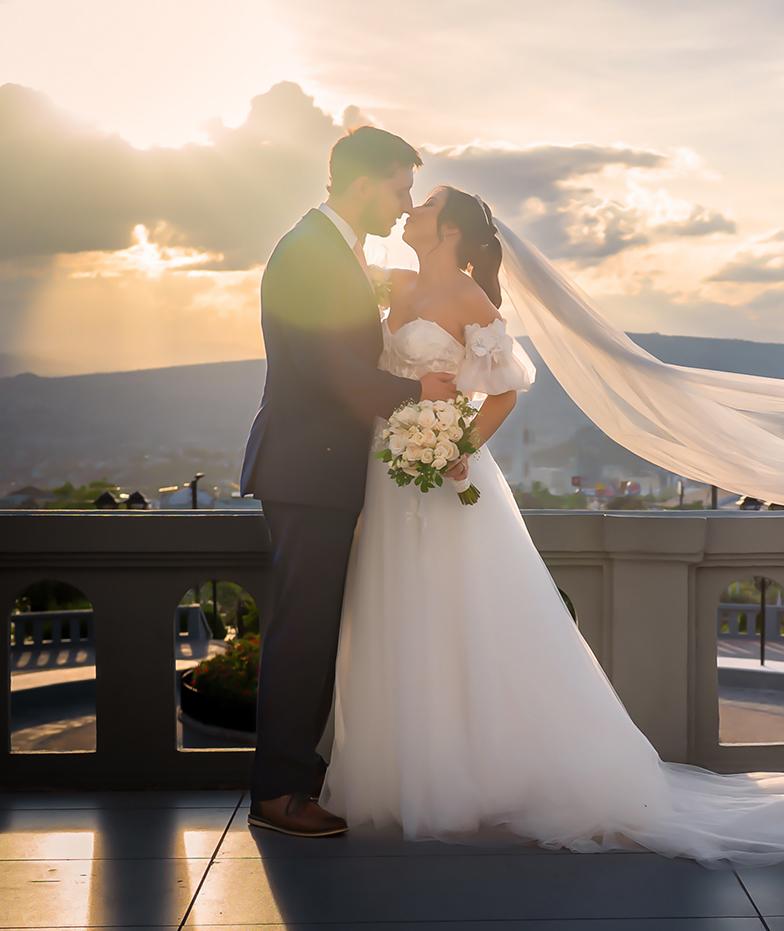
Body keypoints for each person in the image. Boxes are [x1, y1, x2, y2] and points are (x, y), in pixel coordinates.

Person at [315, 185, 784, 866]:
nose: (410, 210)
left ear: (447, 232)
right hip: (387, 476)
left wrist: (459, 448)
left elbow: (504, 387)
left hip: (443, 479)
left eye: (425, 206)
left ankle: (463, 779)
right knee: (401, 616)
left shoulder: (470, 301)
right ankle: (411, 768)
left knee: (462, 618)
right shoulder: (401, 283)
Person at [239, 127, 461, 838]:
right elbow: (331, 371)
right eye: (398, 188)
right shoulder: (311, 252)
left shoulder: (334, 250)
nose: (405, 204)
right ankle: (280, 791)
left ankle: (292, 780)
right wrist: (418, 388)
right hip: (309, 467)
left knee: (313, 625)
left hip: (321, 465)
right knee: (303, 629)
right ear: (362, 183)